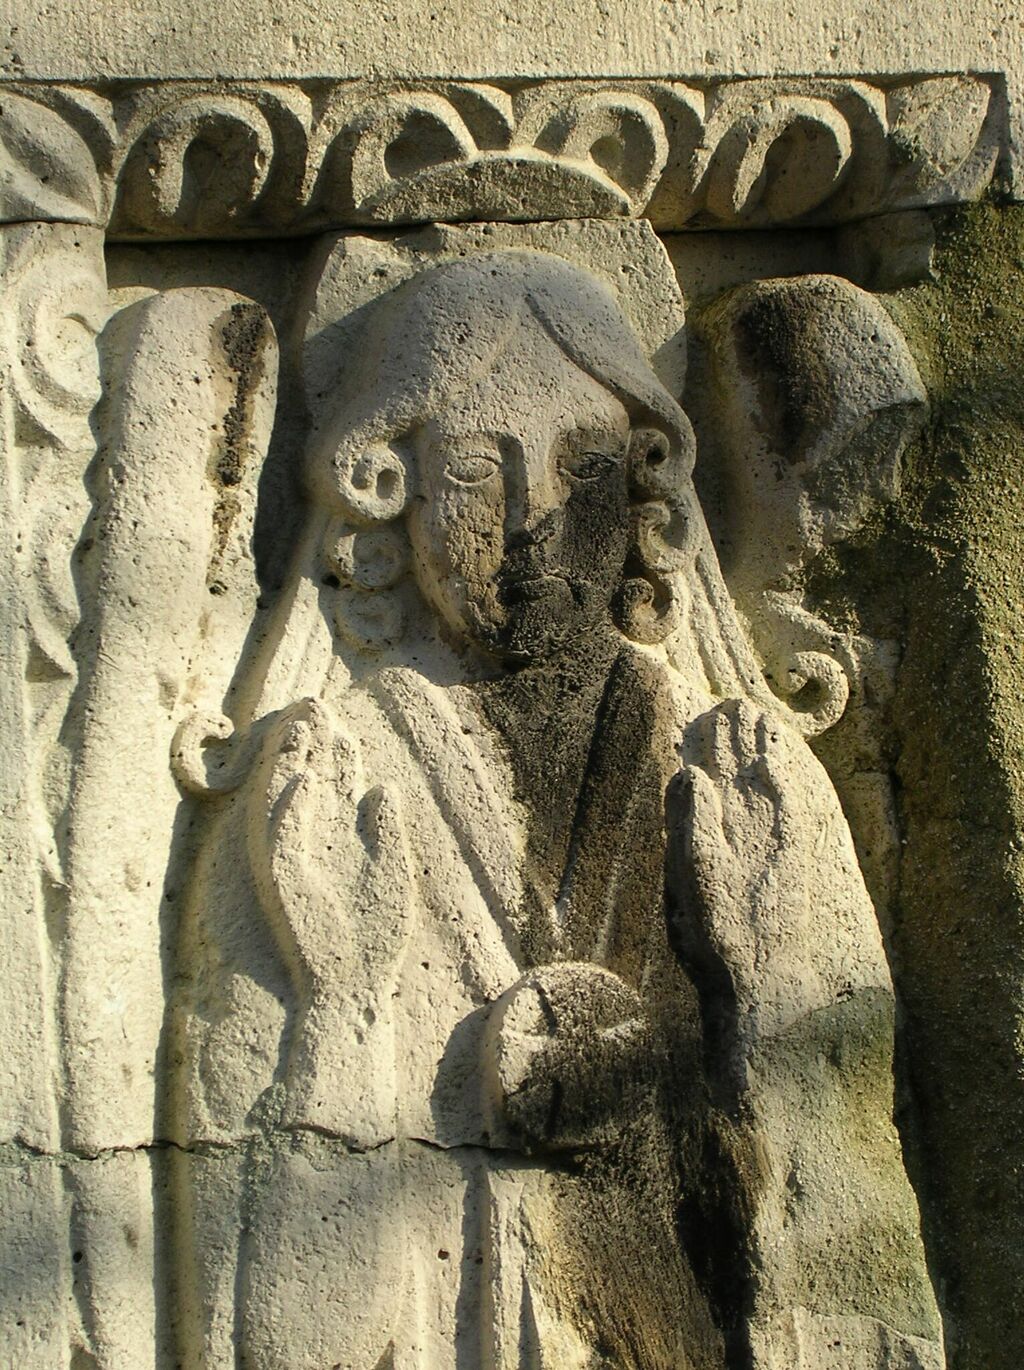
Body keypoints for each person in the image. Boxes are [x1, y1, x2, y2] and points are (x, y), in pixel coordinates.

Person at [175, 250, 943, 1368]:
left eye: (582, 466)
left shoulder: (743, 774)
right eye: (475, 469)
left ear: (641, 492)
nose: (533, 517)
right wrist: (340, 1008)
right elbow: (267, 1329)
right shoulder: (323, 785)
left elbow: (860, 1255)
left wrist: (765, 1001)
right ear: (391, 489)